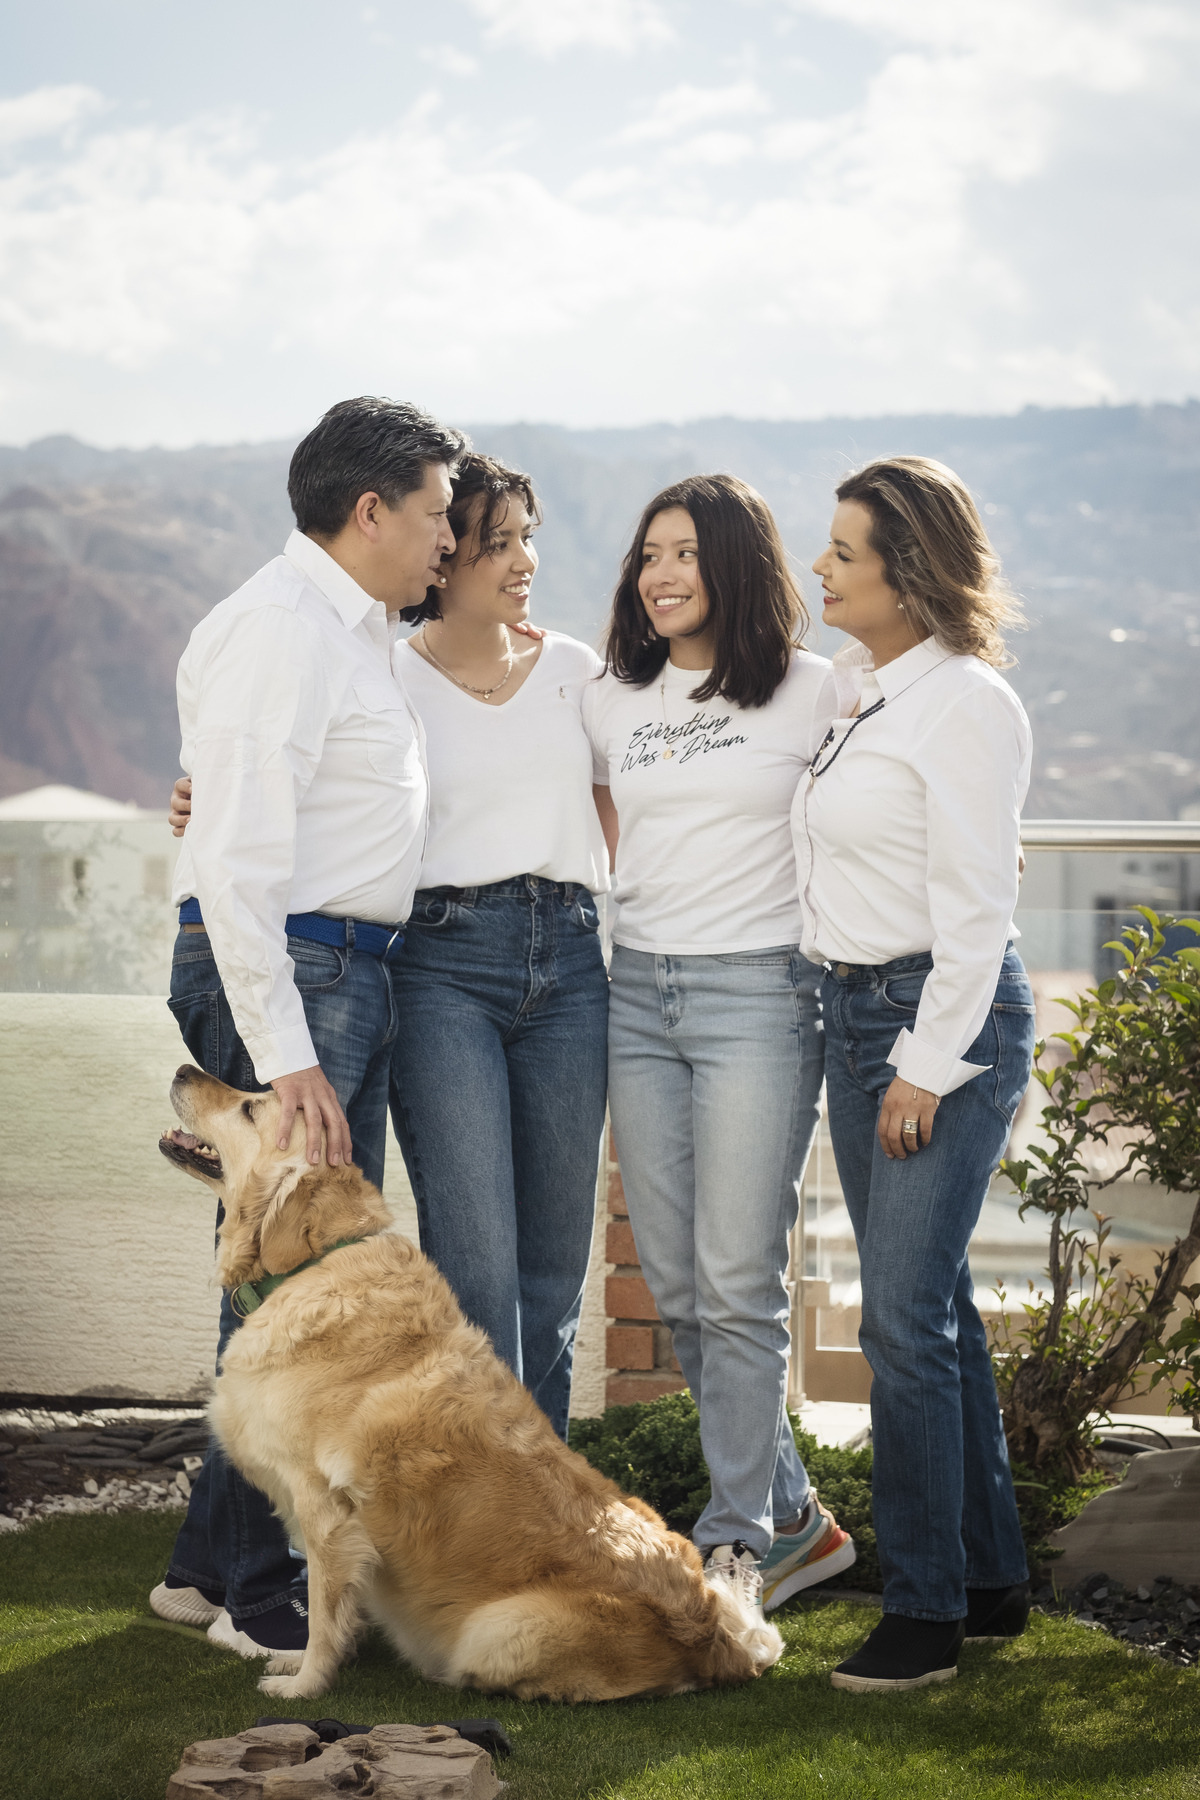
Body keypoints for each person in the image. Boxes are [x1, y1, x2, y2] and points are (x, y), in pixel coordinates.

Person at [154, 395, 465, 1663]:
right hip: (299, 975)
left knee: (296, 1274)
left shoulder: (355, 635)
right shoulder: (279, 631)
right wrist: (286, 1057)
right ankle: (261, 1589)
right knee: (296, 1283)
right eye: (439, 513)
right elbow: (232, 864)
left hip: (345, 967)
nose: (449, 536)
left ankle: (201, 1571)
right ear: (371, 510)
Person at [584, 473, 856, 1614]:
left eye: (686, 551)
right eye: (649, 553)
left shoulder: (814, 692)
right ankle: (795, 1521)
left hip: (759, 997)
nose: (661, 574)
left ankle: (736, 1537)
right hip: (637, 997)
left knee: (739, 1279)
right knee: (685, 1284)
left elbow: (885, 803)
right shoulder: (608, 696)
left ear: (738, 563)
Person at [793, 456, 1034, 1691]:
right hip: (852, 1010)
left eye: (842, 553)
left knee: (895, 1319)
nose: (819, 569)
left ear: (911, 570)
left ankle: (926, 1611)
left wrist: (925, 1068)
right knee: (934, 1311)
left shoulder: (968, 704)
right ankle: (990, 1579)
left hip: (942, 1021)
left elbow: (981, 911)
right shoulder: (853, 687)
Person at [387, 451, 610, 1439]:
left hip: (572, 966)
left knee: (553, 1271)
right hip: (439, 970)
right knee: (476, 1268)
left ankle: (539, 1518)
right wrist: (199, 798)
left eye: (529, 539)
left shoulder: (573, 671)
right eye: (498, 542)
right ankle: (481, 1524)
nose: (524, 562)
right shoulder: (385, 679)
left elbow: (656, 779)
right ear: (443, 558)